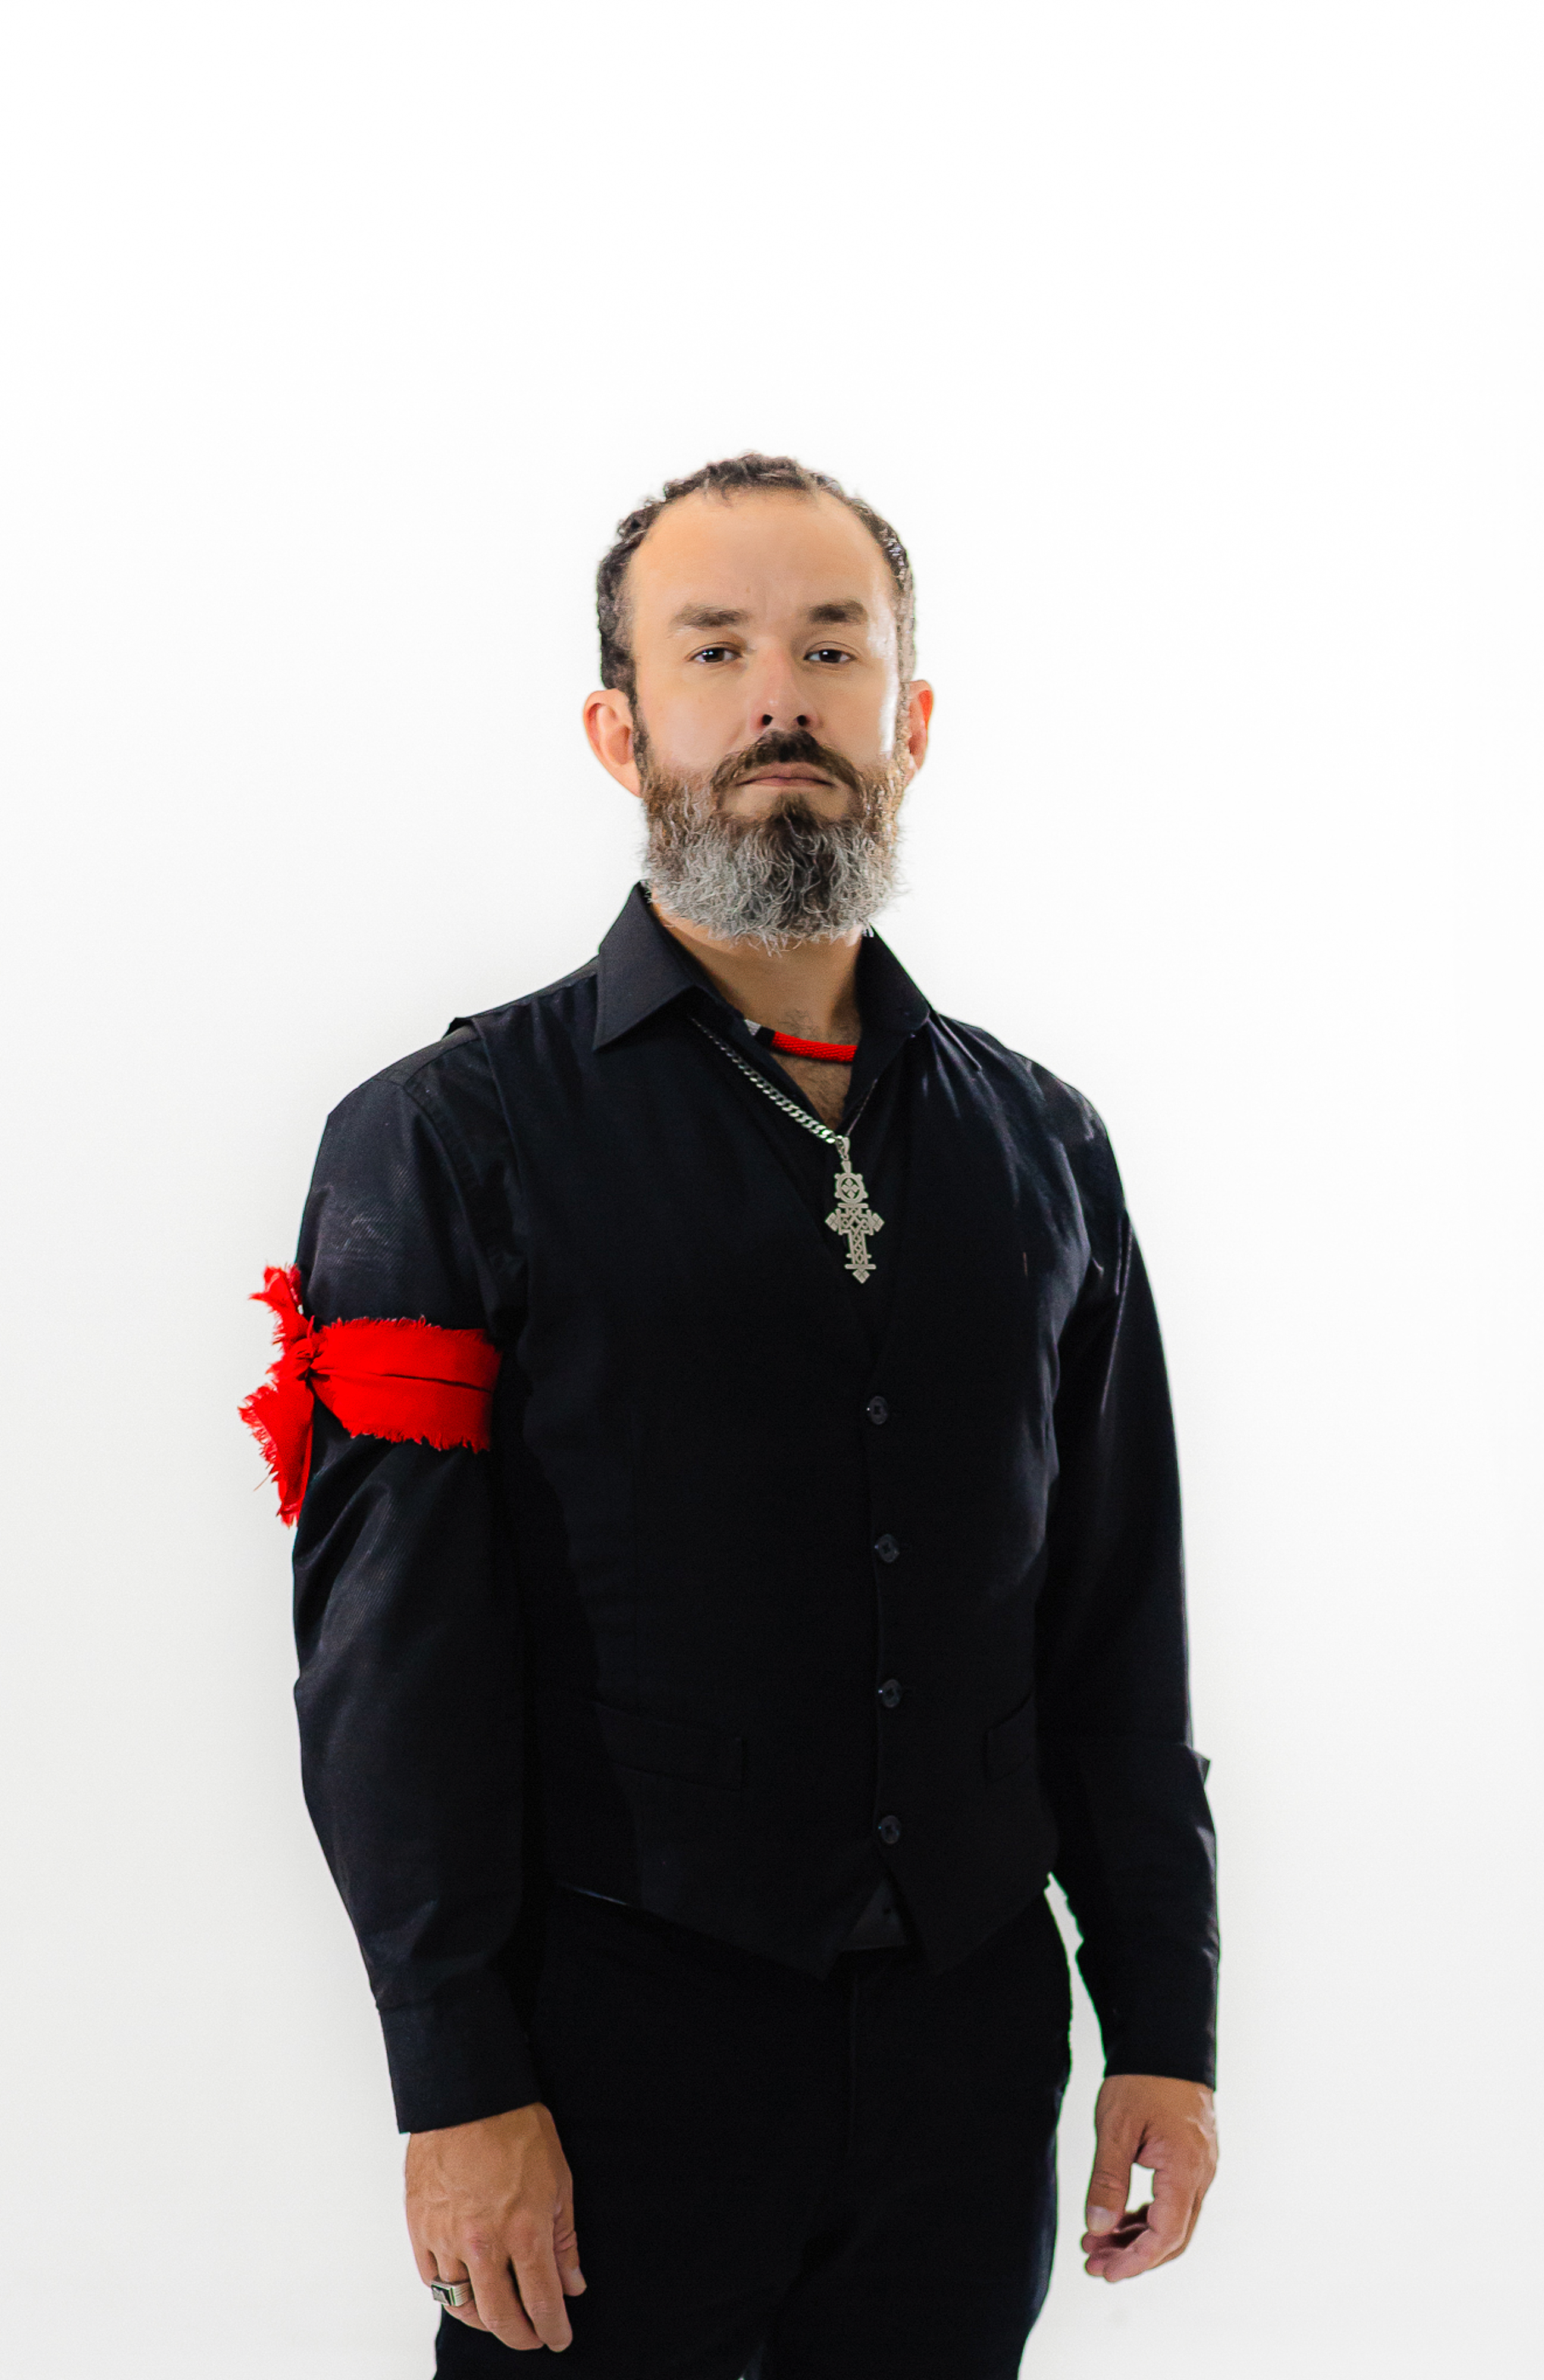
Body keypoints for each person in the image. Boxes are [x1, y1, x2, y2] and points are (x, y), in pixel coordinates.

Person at [245, 452, 1219, 2376]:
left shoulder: (1044, 1147)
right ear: (620, 731)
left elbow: (1115, 1619)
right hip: (604, 2063)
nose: (781, 697)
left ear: (908, 723)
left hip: (967, 2066)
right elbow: (391, 1657)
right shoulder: (446, 1140)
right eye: (714, 651)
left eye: (832, 649)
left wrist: (1165, 2029)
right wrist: (456, 2080)